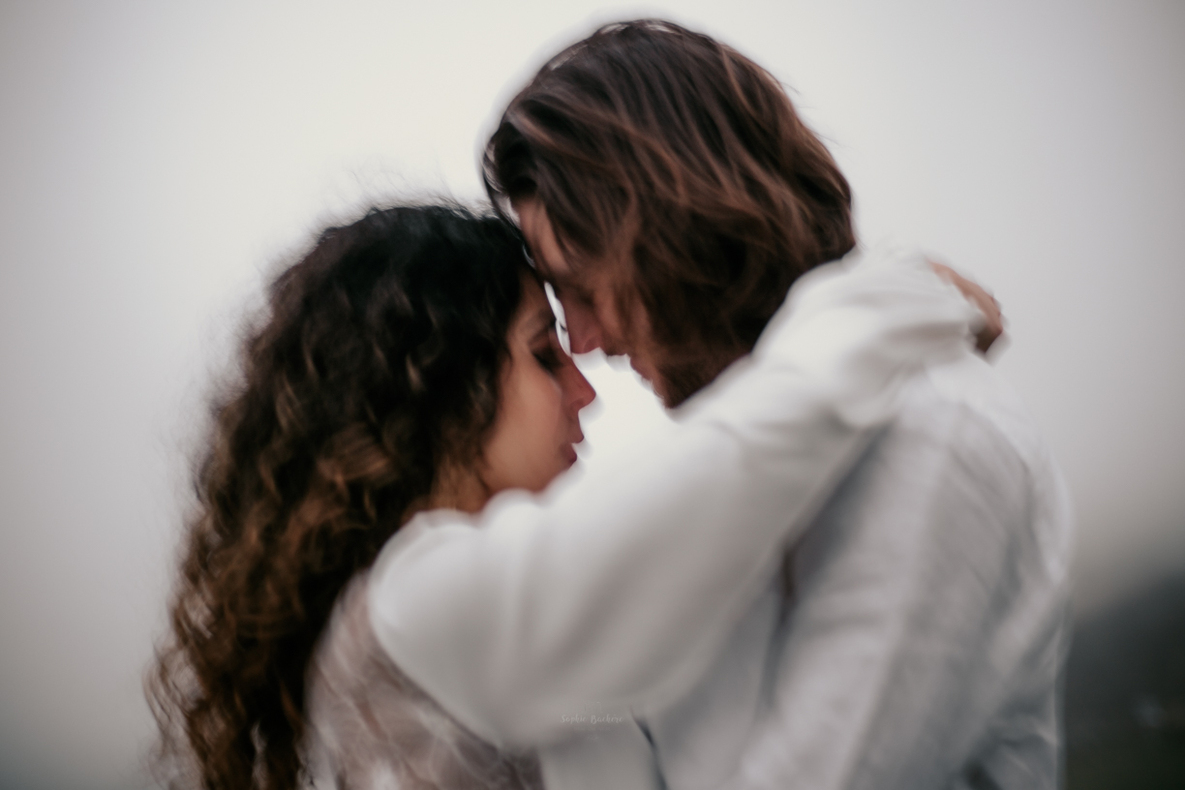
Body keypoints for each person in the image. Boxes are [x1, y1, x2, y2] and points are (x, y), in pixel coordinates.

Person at [371, 19, 1073, 790]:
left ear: (665, 225)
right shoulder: (723, 479)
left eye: (581, 290)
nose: (587, 344)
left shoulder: (931, 433)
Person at [148, 204, 593, 790]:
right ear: (443, 387)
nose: (585, 392)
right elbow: (725, 475)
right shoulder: (411, 599)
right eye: (544, 357)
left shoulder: (443, 617)